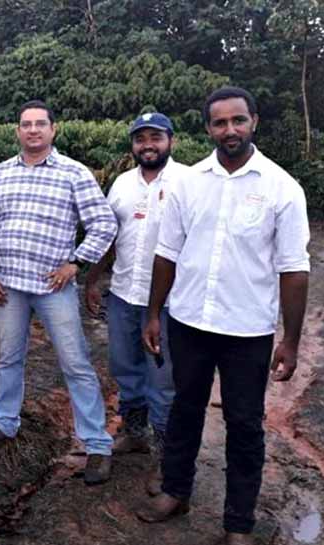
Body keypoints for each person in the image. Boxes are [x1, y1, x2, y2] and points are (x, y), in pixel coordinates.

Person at [136, 87, 310, 545]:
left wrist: (290, 341)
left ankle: (238, 523)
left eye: (238, 120)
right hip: (189, 321)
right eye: (219, 122)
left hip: (247, 331)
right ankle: (176, 491)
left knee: (246, 425)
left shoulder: (281, 188)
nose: (229, 130)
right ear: (208, 128)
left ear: (254, 121)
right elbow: (167, 253)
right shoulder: (189, 183)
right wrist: (154, 314)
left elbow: (294, 269)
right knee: (184, 411)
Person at [0, 100, 118, 486]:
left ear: (54, 130)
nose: (33, 130)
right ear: (17, 131)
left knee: (75, 362)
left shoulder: (74, 173)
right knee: (9, 357)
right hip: (8, 285)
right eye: (26, 124)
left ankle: (97, 444)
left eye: (40, 124)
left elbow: (104, 224)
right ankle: (5, 422)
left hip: (54, 287)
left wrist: (76, 262)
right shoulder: (2, 173)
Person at [84, 112, 189, 495]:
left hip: (169, 303)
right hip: (124, 292)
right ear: (132, 144)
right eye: (140, 138)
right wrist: (93, 278)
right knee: (124, 367)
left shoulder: (188, 182)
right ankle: (136, 431)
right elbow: (109, 235)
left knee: (162, 380)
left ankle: (164, 459)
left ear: (170, 141)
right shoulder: (122, 185)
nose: (148, 144)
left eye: (155, 137)